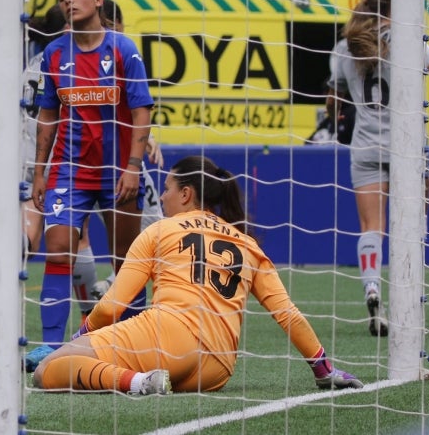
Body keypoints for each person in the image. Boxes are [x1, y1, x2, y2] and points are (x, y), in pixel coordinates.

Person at [33, 155, 364, 394]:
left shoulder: (161, 230)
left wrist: (80, 336)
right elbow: (286, 312)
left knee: (48, 370)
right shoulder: (247, 243)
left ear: (186, 194)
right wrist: (323, 369)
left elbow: (110, 307)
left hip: (167, 338)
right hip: (217, 369)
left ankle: (136, 382)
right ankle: (144, 378)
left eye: (167, 188)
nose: (162, 197)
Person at [26, 0, 155, 371]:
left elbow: (141, 111)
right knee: (59, 246)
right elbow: (48, 113)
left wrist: (134, 167)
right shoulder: (53, 53)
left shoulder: (123, 49)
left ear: (98, 0)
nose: (68, 0)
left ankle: (134, 345)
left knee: (126, 261)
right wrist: (40, 172)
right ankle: (50, 347)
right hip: (69, 169)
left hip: (118, 171)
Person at [326, 0, 429, 337]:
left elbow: (334, 100)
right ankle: (409, 295)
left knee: (371, 227)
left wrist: (338, 113)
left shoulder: (344, 48)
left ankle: (372, 290)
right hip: (408, 146)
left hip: (366, 145)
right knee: (414, 222)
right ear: (395, 7)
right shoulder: (413, 41)